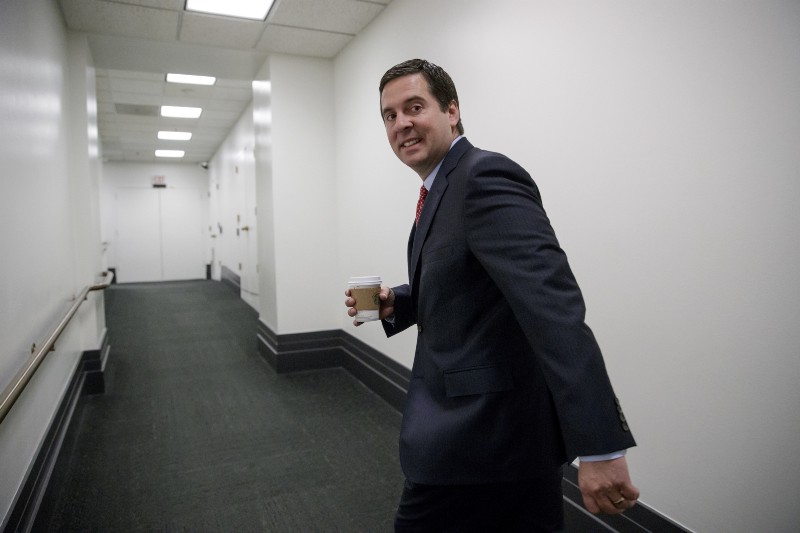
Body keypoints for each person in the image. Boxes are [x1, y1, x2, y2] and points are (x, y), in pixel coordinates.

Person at [345, 58, 638, 532]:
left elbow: (552, 308)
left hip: (483, 436)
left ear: (453, 110)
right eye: (390, 115)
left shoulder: (483, 177)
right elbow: (469, 288)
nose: (402, 124)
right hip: (488, 442)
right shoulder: (439, 188)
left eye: (414, 107)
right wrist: (400, 301)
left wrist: (600, 446)